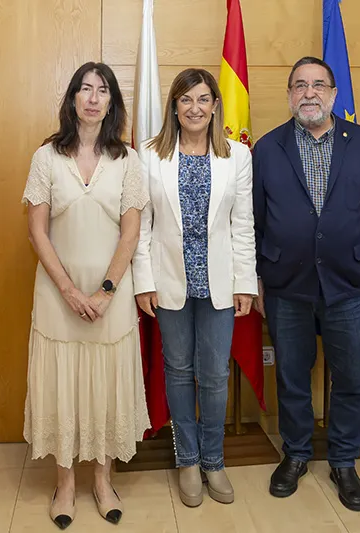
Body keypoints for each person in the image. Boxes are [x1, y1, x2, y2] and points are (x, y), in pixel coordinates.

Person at [252, 57, 360, 512]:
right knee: (292, 376)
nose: (309, 93)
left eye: (318, 85)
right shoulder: (268, 148)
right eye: (299, 86)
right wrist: (256, 276)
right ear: (289, 95)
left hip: (349, 281)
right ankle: (295, 454)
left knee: (350, 379)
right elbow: (253, 220)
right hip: (286, 284)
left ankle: (344, 461)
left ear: (333, 94)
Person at [22, 62, 151, 529]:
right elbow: (37, 231)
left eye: (102, 91)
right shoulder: (46, 157)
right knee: (63, 387)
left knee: (104, 387)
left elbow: (131, 233)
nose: (93, 98)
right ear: (72, 98)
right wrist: (71, 291)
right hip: (58, 296)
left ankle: (102, 481)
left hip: (111, 299)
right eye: (84, 89)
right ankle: (65, 486)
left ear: (112, 102)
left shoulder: (128, 160)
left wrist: (104, 291)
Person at [132, 68, 256, 508]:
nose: (195, 108)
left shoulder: (238, 157)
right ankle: (187, 459)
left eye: (203, 99)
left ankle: (214, 460)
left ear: (215, 105)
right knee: (179, 371)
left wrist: (246, 282)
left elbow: (242, 225)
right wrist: (143, 282)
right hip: (169, 282)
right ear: (174, 106)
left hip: (219, 282)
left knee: (216, 374)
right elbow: (142, 226)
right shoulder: (149, 156)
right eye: (186, 100)